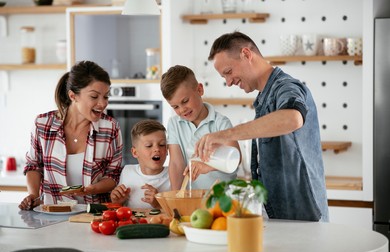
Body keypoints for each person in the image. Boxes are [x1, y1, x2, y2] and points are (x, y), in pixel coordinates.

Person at [194, 31, 329, 222]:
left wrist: (225, 135)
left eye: (228, 72)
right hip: (282, 215)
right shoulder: (264, 98)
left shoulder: (286, 87)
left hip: (304, 215)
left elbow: (293, 119)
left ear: (246, 54)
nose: (229, 82)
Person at [19, 60, 123, 210]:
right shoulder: (43, 124)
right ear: (73, 96)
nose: (102, 104)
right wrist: (33, 196)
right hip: (51, 213)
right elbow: (34, 166)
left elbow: (113, 175)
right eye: (94, 97)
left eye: (106, 97)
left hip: (94, 215)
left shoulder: (111, 128)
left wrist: (90, 189)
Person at [160, 65, 241, 190]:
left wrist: (207, 164)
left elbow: (236, 157)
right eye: (175, 107)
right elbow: (176, 164)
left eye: (185, 101)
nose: (182, 110)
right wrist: (176, 197)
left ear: (199, 90)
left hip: (223, 199)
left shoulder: (220, 123)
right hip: (192, 199)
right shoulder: (174, 124)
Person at [110, 119, 169, 209]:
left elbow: (179, 214)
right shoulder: (127, 171)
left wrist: (158, 204)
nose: (157, 149)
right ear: (135, 152)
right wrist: (117, 202)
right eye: (149, 145)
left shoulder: (173, 175)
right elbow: (119, 209)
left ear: (167, 150)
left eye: (162, 144)